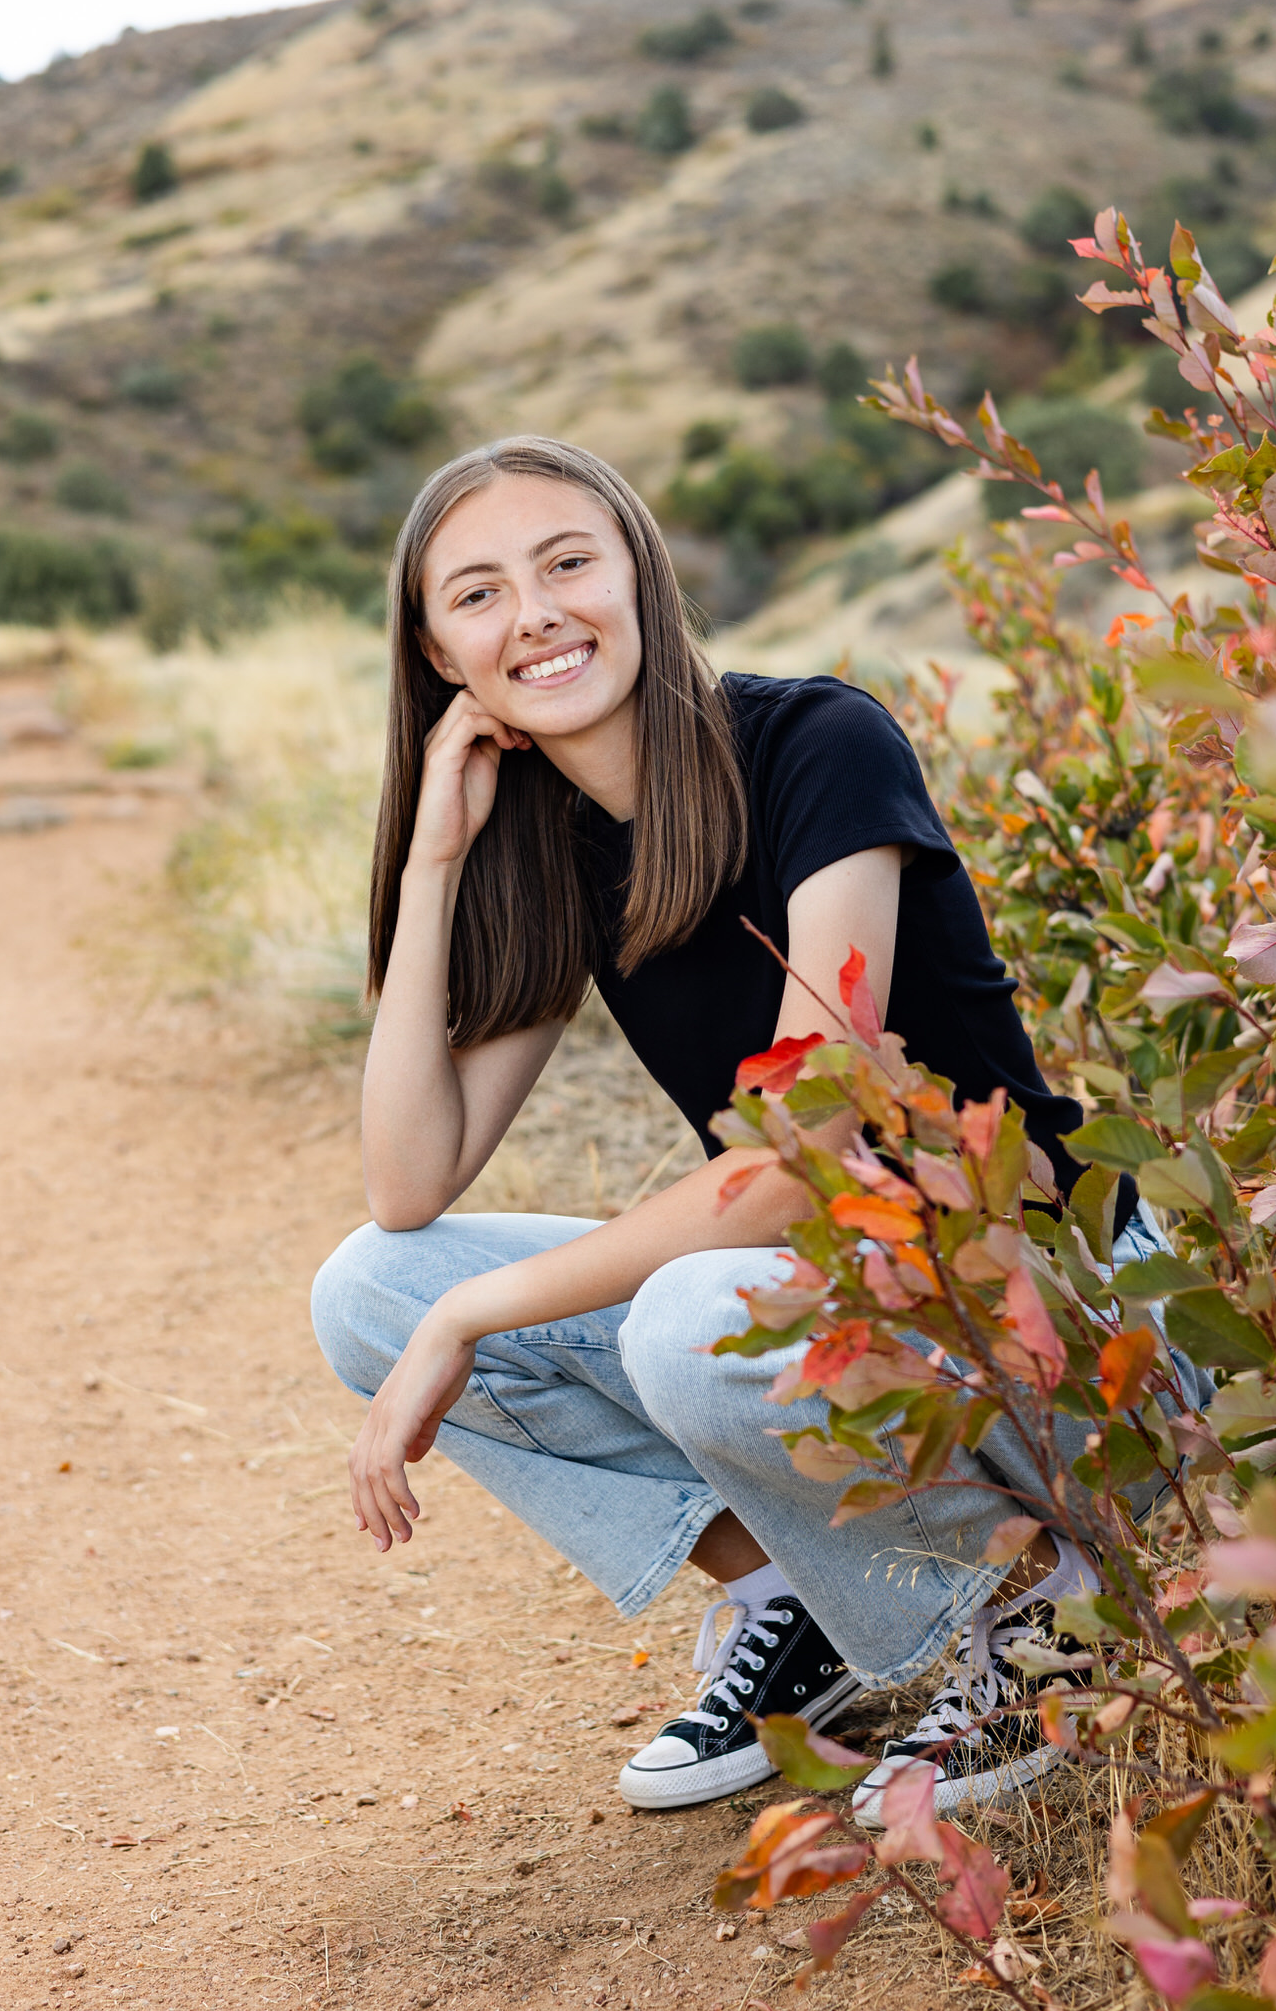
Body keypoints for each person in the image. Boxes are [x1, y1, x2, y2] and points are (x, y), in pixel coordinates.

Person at [310, 435, 1189, 1823]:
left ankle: (1041, 1615)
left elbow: (814, 1154)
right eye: (476, 595)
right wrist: (434, 856)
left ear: (640, 579)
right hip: (874, 1318)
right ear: (437, 659)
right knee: (368, 1288)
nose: (534, 614)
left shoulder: (815, 746)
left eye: (567, 562)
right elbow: (407, 1178)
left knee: (682, 1322)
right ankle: (807, 1611)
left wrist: (476, 1314)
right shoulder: (548, 844)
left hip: (1055, 1306)